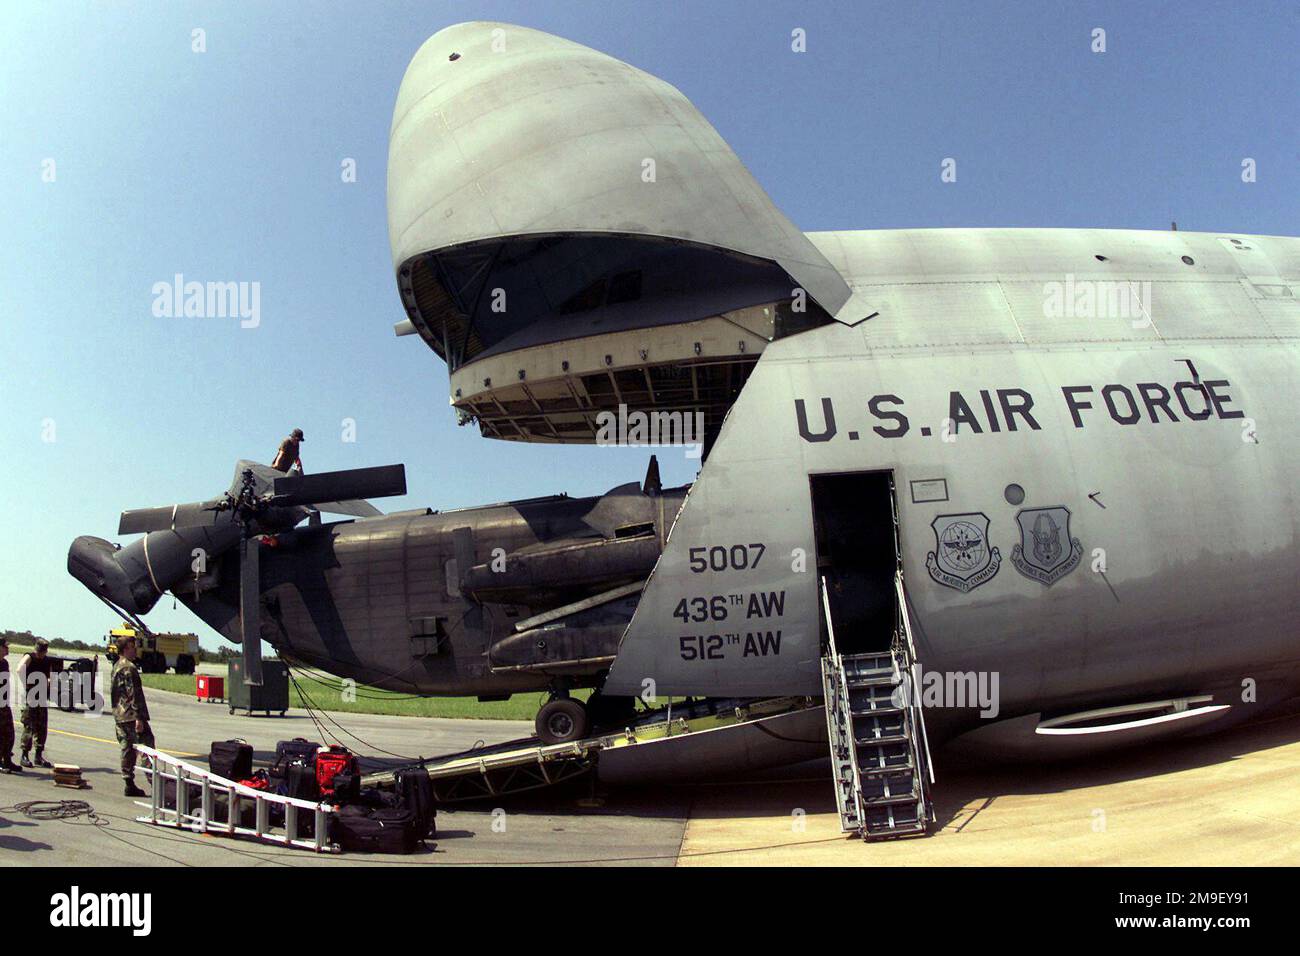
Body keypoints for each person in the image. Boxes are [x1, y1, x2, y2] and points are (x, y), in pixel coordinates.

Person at [111, 633, 154, 797]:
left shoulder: (116, 666)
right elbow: (133, 694)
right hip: (131, 716)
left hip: (120, 715)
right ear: (126, 649)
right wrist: (139, 718)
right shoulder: (129, 667)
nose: (135, 650)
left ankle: (128, 782)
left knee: (127, 749)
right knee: (147, 748)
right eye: (133, 647)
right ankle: (155, 782)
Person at [18, 637, 52, 768]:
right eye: (40, 652)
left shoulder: (46, 660)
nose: (41, 655)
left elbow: (49, 676)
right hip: (31, 697)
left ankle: (38, 756)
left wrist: (48, 683)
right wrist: (26, 683)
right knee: (29, 726)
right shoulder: (29, 657)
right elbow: (20, 669)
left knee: (42, 727)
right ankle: (24, 755)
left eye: (43, 652)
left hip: (41, 697)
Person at [0, 637, 20, 774]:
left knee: (9, 733)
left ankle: (7, 760)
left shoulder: (4, 663)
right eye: (5, 647)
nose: (8, 649)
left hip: (4, 703)